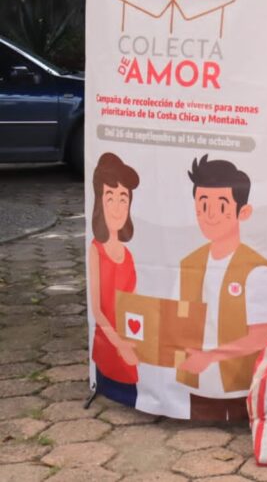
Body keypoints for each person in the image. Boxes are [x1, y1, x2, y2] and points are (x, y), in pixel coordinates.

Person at [177, 155, 267, 421]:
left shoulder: (258, 270)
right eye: (202, 204)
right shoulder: (188, 264)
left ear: (242, 212)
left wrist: (211, 357)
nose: (210, 216)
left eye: (221, 206)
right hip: (193, 384)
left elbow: (261, 337)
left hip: (239, 387)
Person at [87, 152, 141, 407]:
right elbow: (97, 310)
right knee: (117, 386)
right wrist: (120, 345)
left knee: (134, 389)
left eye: (124, 199)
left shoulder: (129, 255)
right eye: (110, 198)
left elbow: (132, 305)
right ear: (100, 202)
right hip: (110, 346)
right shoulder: (95, 250)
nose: (118, 207)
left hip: (128, 345)